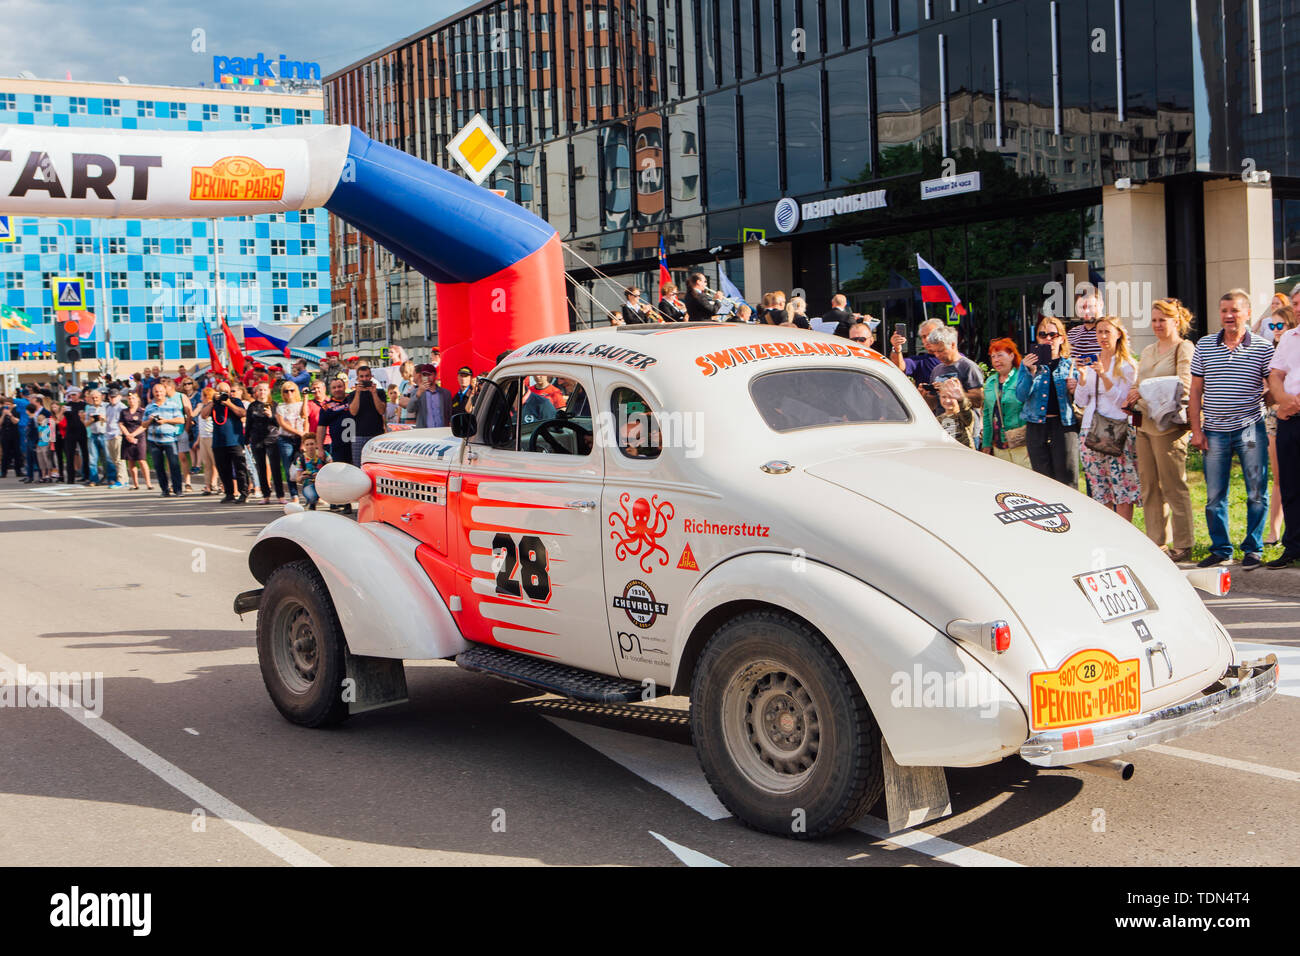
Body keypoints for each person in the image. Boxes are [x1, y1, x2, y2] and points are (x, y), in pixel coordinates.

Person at [1189, 289, 1275, 569]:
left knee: (1256, 491)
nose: (1228, 316)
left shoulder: (1263, 347)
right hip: (1213, 429)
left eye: (1235, 310)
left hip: (1250, 429)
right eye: (1224, 310)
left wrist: (1270, 396)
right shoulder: (1204, 345)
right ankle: (1221, 549)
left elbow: (1273, 388)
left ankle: (1253, 549)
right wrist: (1196, 430)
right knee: (1214, 495)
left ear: (1247, 313)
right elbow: (1195, 392)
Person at [1128, 298, 1196, 561]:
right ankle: (1156, 543)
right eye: (1154, 320)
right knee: (1149, 487)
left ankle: (1183, 543)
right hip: (1144, 424)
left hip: (1168, 427)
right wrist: (1135, 397)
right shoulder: (1148, 351)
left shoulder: (1184, 348)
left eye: (1162, 320)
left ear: (1176, 321)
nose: (1157, 325)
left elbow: (1184, 388)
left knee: (1173, 486)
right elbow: (1139, 384)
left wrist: (1142, 394)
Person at [1077, 316, 1141, 521]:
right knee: (1099, 486)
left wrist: (1104, 376)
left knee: (1122, 485)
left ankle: (1125, 534)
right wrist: (1083, 377)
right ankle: (1106, 533)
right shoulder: (1092, 361)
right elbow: (1080, 400)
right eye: (1099, 332)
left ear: (1118, 334)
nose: (1102, 336)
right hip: (1089, 428)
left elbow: (1122, 401)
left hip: (1116, 428)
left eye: (1107, 332)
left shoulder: (1126, 365)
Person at [1017, 313, 1081, 487]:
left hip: (1064, 426)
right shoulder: (1029, 364)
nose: (1048, 339)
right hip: (1036, 426)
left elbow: (1081, 401)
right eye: (1043, 335)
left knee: (1067, 478)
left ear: (1062, 338)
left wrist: (1075, 389)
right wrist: (1030, 372)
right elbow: (1020, 396)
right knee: (1042, 480)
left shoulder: (1070, 365)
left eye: (1053, 334)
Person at [1260, 305, 1298, 547]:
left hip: (1288, 410)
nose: (1274, 330)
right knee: (1283, 479)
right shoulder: (1280, 344)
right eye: (1271, 326)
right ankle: (1282, 537)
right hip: (1279, 417)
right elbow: (1272, 378)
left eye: (1279, 325)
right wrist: (1280, 398)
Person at [982, 338, 1030, 467]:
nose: (996, 360)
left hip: (1021, 441)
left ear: (1011, 356)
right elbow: (987, 415)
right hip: (999, 443)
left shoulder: (1023, 377)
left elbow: (1031, 410)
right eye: (993, 357)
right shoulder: (991, 382)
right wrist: (986, 444)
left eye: (1000, 355)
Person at [201, 380, 251, 503]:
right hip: (218, 442)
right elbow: (203, 415)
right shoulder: (214, 404)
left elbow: (243, 413)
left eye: (226, 391)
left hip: (235, 441)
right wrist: (213, 401)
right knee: (223, 469)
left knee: (240, 468)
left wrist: (228, 403)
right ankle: (229, 493)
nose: (223, 393)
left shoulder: (235, 401)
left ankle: (243, 493)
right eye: (220, 391)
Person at [316, 377, 354, 512]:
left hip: (355, 442)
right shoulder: (326, 407)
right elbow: (321, 427)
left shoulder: (353, 399)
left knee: (354, 472)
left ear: (345, 387)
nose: (338, 389)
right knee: (340, 474)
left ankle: (353, 501)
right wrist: (320, 448)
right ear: (330, 390)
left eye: (340, 386)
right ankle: (342, 501)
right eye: (334, 387)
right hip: (338, 444)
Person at [246, 382, 285, 504]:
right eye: (260, 390)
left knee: (275, 468)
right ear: (257, 392)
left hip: (272, 439)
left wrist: (271, 416)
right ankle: (266, 495)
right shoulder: (252, 406)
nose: (262, 392)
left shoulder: (274, 405)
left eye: (264, 390)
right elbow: (248, 424)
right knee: (261, 468)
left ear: (268, 391)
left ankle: (280, 496)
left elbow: (280, 424)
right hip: (257, 439)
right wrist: (246, 439)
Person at [143, 383, 185, 497]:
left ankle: (178, 490)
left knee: (174, 465)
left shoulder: (172, 404)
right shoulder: (149, 407)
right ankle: (165, 489)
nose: (158, 394)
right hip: (153, 440)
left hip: (169, 439)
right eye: (156, 391)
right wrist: (150, 420)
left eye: (161, 391)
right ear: (153, 393)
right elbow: (143, 424)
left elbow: (181, 420)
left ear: (165, 392)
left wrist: (165, 421)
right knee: (158, 466)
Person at [346, 364, 388, 466]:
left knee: (377, 465)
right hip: (358, 435)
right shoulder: (352, 395)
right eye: (362, 376)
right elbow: (353, 412)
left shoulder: (380, 392)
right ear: (358, 378)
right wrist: (358, 393)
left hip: (376, 434)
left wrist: (374, 393)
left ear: (371, 377)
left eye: (367, 376)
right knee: (358, 465)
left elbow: (381, 411)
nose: (364, 379)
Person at [275, 380, 308, 504]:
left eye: (292, 390)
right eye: (286, 391)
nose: (289, 393)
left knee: (304, 466)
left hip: (301, 439)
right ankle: (294, 495)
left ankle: (308, 494)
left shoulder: (301, 404)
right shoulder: (281, 406)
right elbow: (282, 424)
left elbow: (305, 417)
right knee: (289, 467)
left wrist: (304, 439)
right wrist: (299, 432)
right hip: (286, 439)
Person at [889, 317, 944, 386]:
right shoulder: (919, 361)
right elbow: (899, 367)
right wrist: (896, 348)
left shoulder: (958, 359)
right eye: (923, 336)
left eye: (931, 335)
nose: (927, 339)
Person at [118, 391, 151, 489]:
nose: (131, 400)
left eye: (133, 398)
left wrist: (133, 435)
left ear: (138, 399)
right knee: (131, 461)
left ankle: (148, 483)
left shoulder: (142, 411)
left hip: (139, 438)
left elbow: (144, 425)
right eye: (129, 398)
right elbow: (121, 424)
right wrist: (128, 435)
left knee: (141, 460)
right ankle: (136, 484)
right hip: (127, 438)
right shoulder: (124, 411)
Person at [291, 433, 331, 511]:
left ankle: (333, 504)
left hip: (324, 484)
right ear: (304, 446)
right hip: (309, 484)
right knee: (311, 495)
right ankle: (312, 502)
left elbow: (333, 469)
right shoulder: (301, 459)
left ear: (316, 444)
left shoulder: (323, 454)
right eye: (307, 444)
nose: (310, 446)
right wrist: (303, 476)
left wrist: (321, 475)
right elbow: (298, 479)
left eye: (312, 444)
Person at [1067, 287, 1104, 365]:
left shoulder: (1112, 331)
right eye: (1082, 307)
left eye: (1090, 306)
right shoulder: (1072, 334)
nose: (1086, 311)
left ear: (1101, 305)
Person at [81, 389, 111, 486]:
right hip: (93, 435)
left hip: (105, 434)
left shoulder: (107, 406)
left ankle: (111, 478)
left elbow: (112, 421)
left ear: (101, 397)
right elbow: (85, 424)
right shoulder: (89, 408)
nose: (95, 399)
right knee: (93, 459)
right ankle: (94, 479)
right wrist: (91, 420)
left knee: (108, 458)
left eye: (96, 397)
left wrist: (103, 418)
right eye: (93, 398)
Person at [935, 377, 975, 448]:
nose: (947, 400)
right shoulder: (938, 419)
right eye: (944, 397)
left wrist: (961, 399)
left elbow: (965, 411)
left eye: (951, 397)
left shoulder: (963, 416)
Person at [63, 387, 90, 483]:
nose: (72, 396)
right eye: (70, 395)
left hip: (82, 431)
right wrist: (61, 411)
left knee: (85, 453)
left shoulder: (84, 405)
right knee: (70, 455)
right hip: (70, 432)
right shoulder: (67, 405)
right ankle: (71, 477)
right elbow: (59, 418)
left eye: (74, 394)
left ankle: (86, 475)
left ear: (79, 394)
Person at [413, 363, 453, 428]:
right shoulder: (417, 391)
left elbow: (449, 413)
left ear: (435, 375)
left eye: (429, 374)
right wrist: (418, 394)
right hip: (424, 432)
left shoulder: (445, 393)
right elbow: (410, 409)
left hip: (441, 432)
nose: (427, 377)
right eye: (424, 375)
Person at [103, 388, 125, 488]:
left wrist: (120, 433)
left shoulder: (122, 407)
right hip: (109, 434)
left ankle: (121, 480)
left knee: (119, 459)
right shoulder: (108, 407)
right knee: (113, 459)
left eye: (114, 397)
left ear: (119, 397)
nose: (113, 399)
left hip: (117, 434)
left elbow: (124, 422)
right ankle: (123, 479)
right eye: (111, 397)